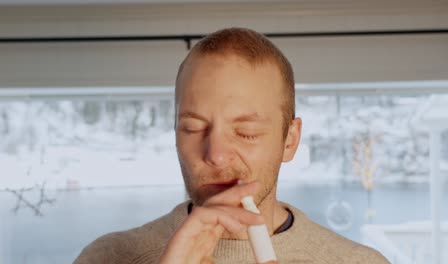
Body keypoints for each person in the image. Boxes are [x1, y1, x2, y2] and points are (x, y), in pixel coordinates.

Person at [74, 27, 390, 264]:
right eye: (193, 127)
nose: (216, 154)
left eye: (247, 132)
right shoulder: (107, 257)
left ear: (289, 140)